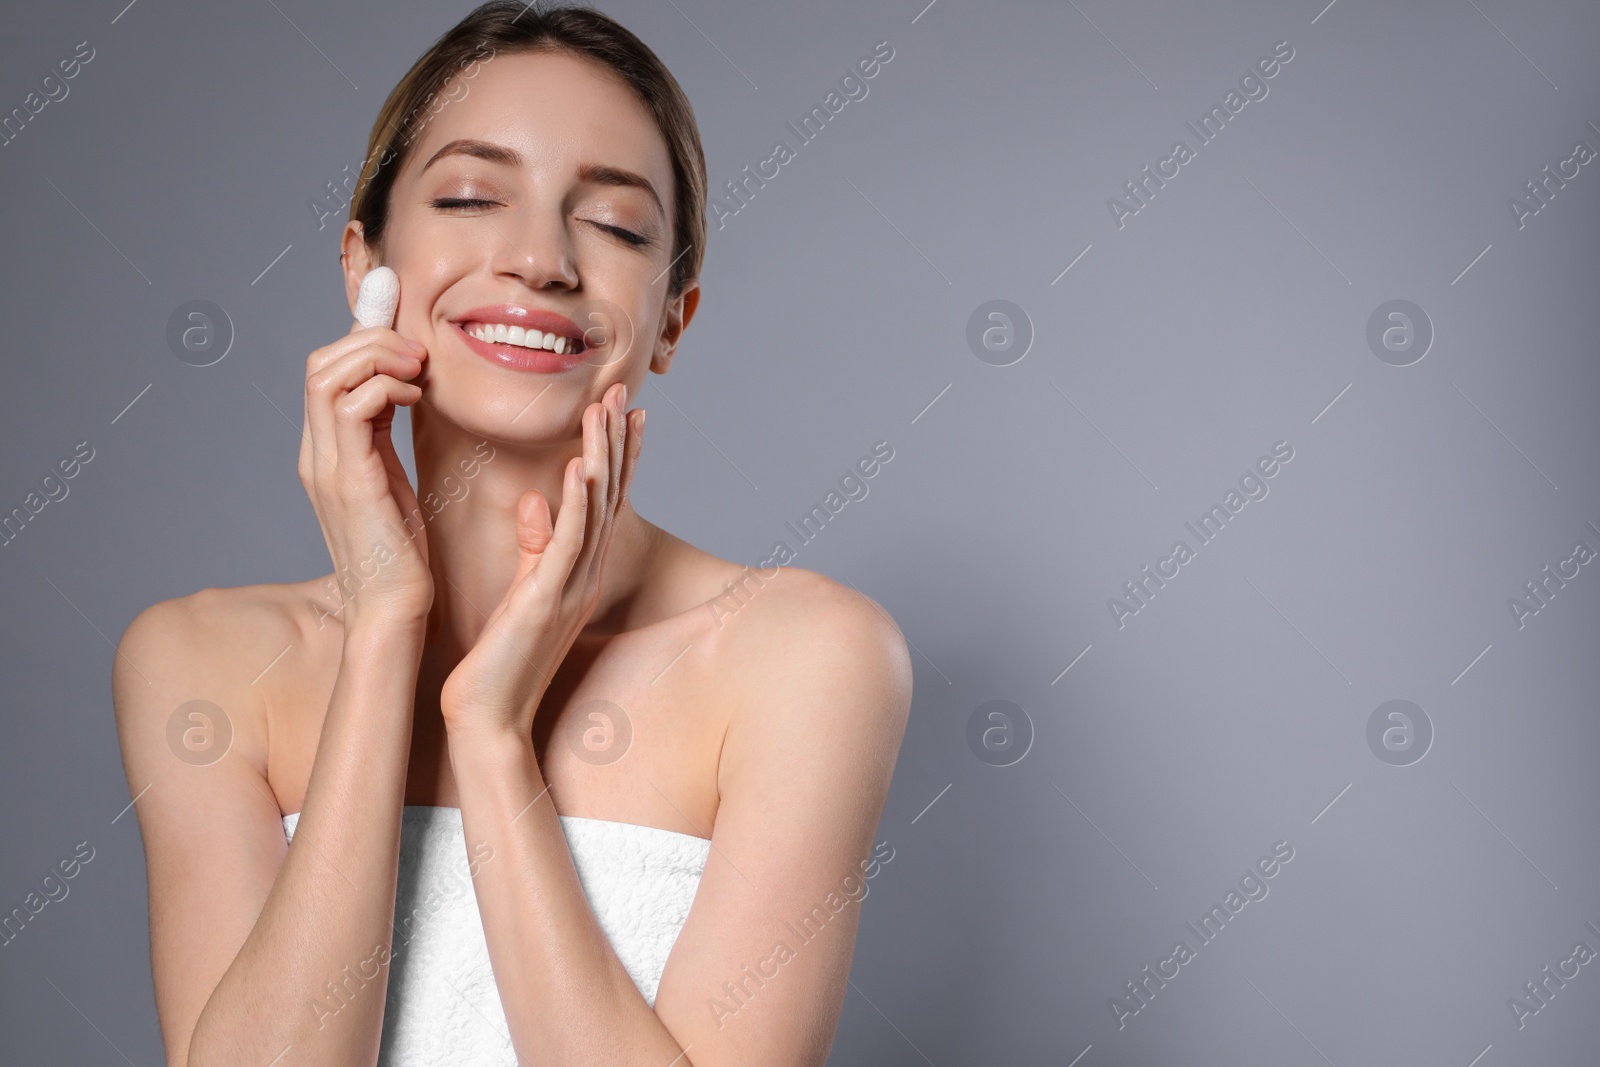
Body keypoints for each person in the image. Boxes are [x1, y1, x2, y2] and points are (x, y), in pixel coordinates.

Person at [111, 4, 912, 1064]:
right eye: (470, 196)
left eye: (618, 225)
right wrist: (385, 627)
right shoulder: (201, 662)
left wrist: (491, 736)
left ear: (671, 317)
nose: (539, 258)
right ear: (364, 270)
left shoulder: (806, 658)